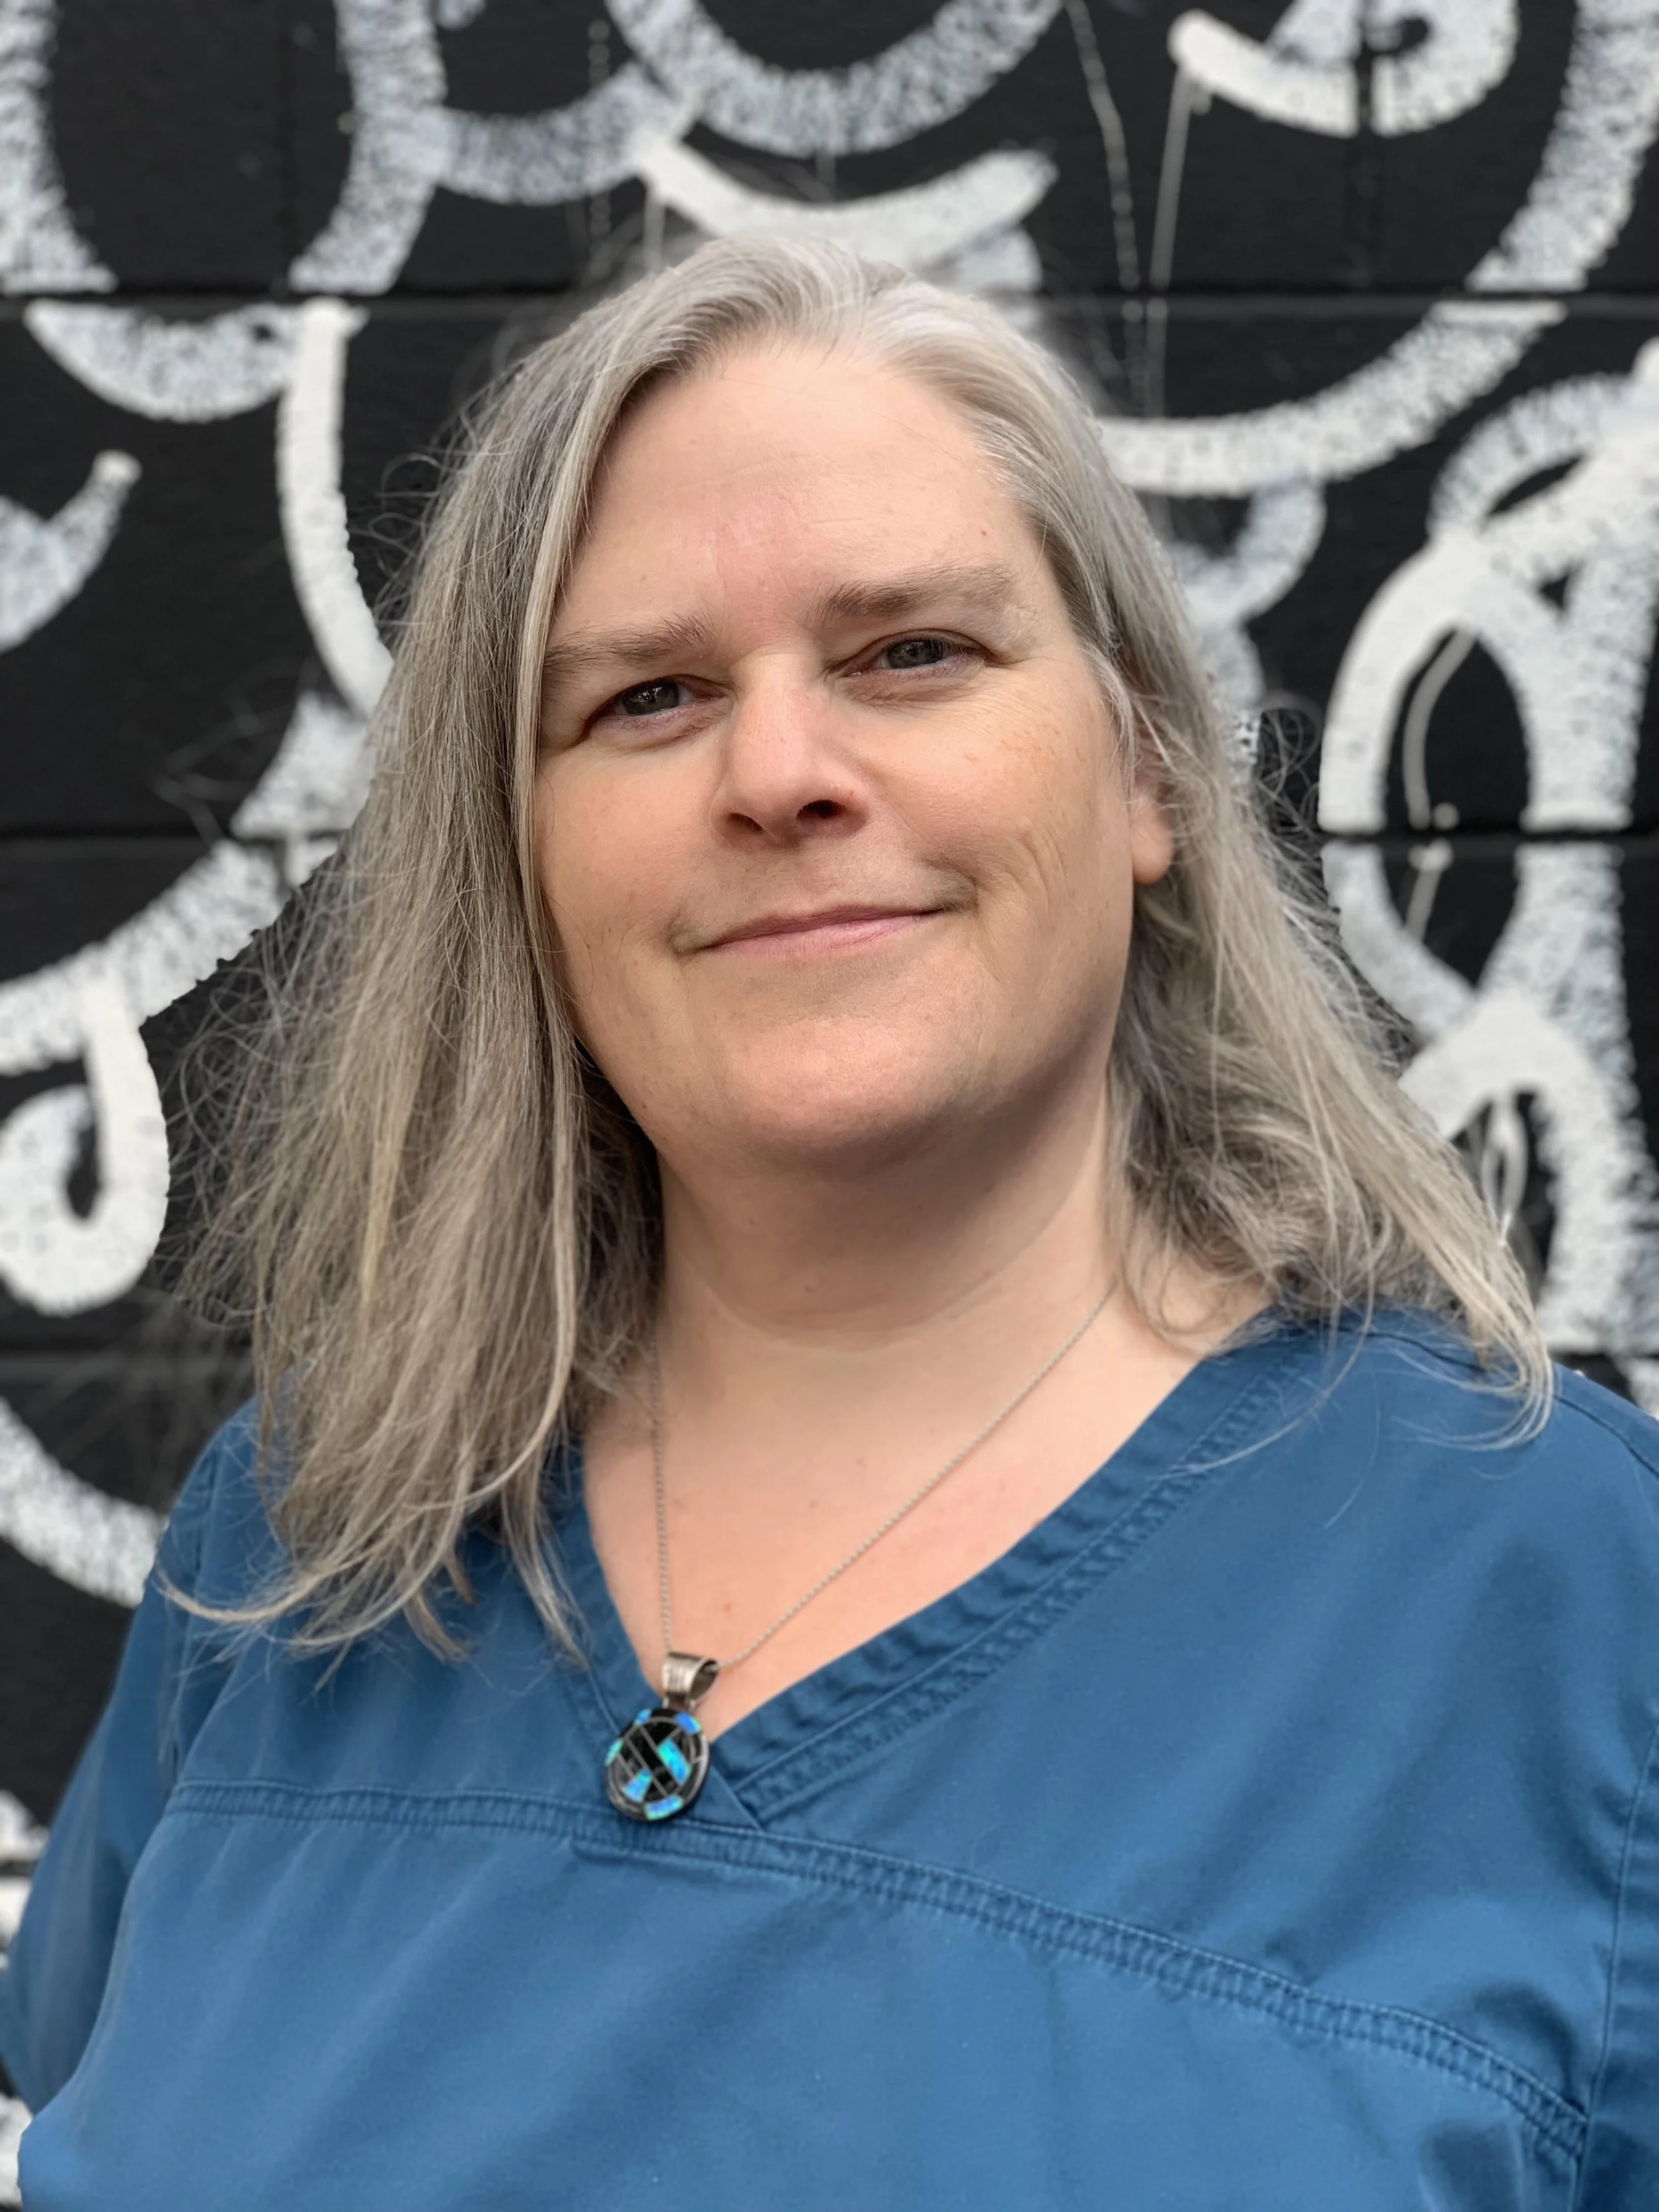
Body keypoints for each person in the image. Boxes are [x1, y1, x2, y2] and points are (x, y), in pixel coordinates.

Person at [1, 236, 1654, 2209]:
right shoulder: (294, 1545)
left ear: (1146, 770)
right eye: (647, 696)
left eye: (910, 654)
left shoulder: (1569, 1599)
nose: (778, 772)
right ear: (519, 860)